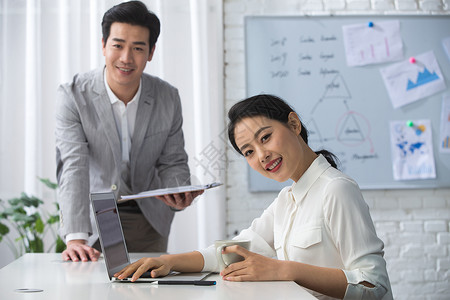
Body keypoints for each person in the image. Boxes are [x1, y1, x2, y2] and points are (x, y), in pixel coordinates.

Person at [114, 94, 393, 300]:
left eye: (265, 138)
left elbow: (373, 284)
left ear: (294, 125)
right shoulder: (288, 199)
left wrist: (284, 270)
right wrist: (170, 261)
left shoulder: (336, 189)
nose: (261, 156)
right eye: (248, 151)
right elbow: (233, 251)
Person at [55, 1, 202, 263]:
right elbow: (73, 166)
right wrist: (76, 237)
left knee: (145, 287)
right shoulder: (74, 95)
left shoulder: (168, 97)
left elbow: (173, 161)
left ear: (151, 52)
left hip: (148, 216)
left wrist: (178, 191)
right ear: (103, 45)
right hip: (96, 214)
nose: (126, 58)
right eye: (118, 45)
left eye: (137, 48)